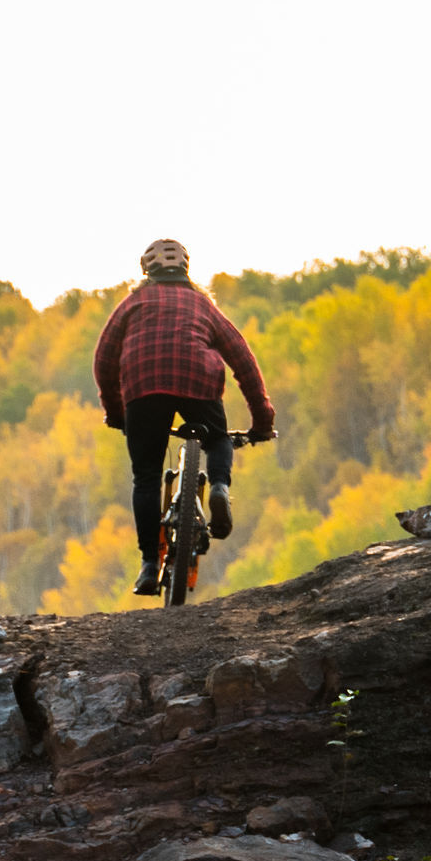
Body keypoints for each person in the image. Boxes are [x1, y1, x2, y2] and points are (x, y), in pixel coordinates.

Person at [93, 237, 276, 596]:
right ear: (187, 270)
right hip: (197, 378)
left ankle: (149, 564)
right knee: (218, 439)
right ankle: (220, 487)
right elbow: (243, 359)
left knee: (145, 477)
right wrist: (262, 422)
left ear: (147, 272)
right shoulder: (202, 304)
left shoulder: (132, 303)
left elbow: (103, 359)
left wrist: (117, 414)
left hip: (143, 385)